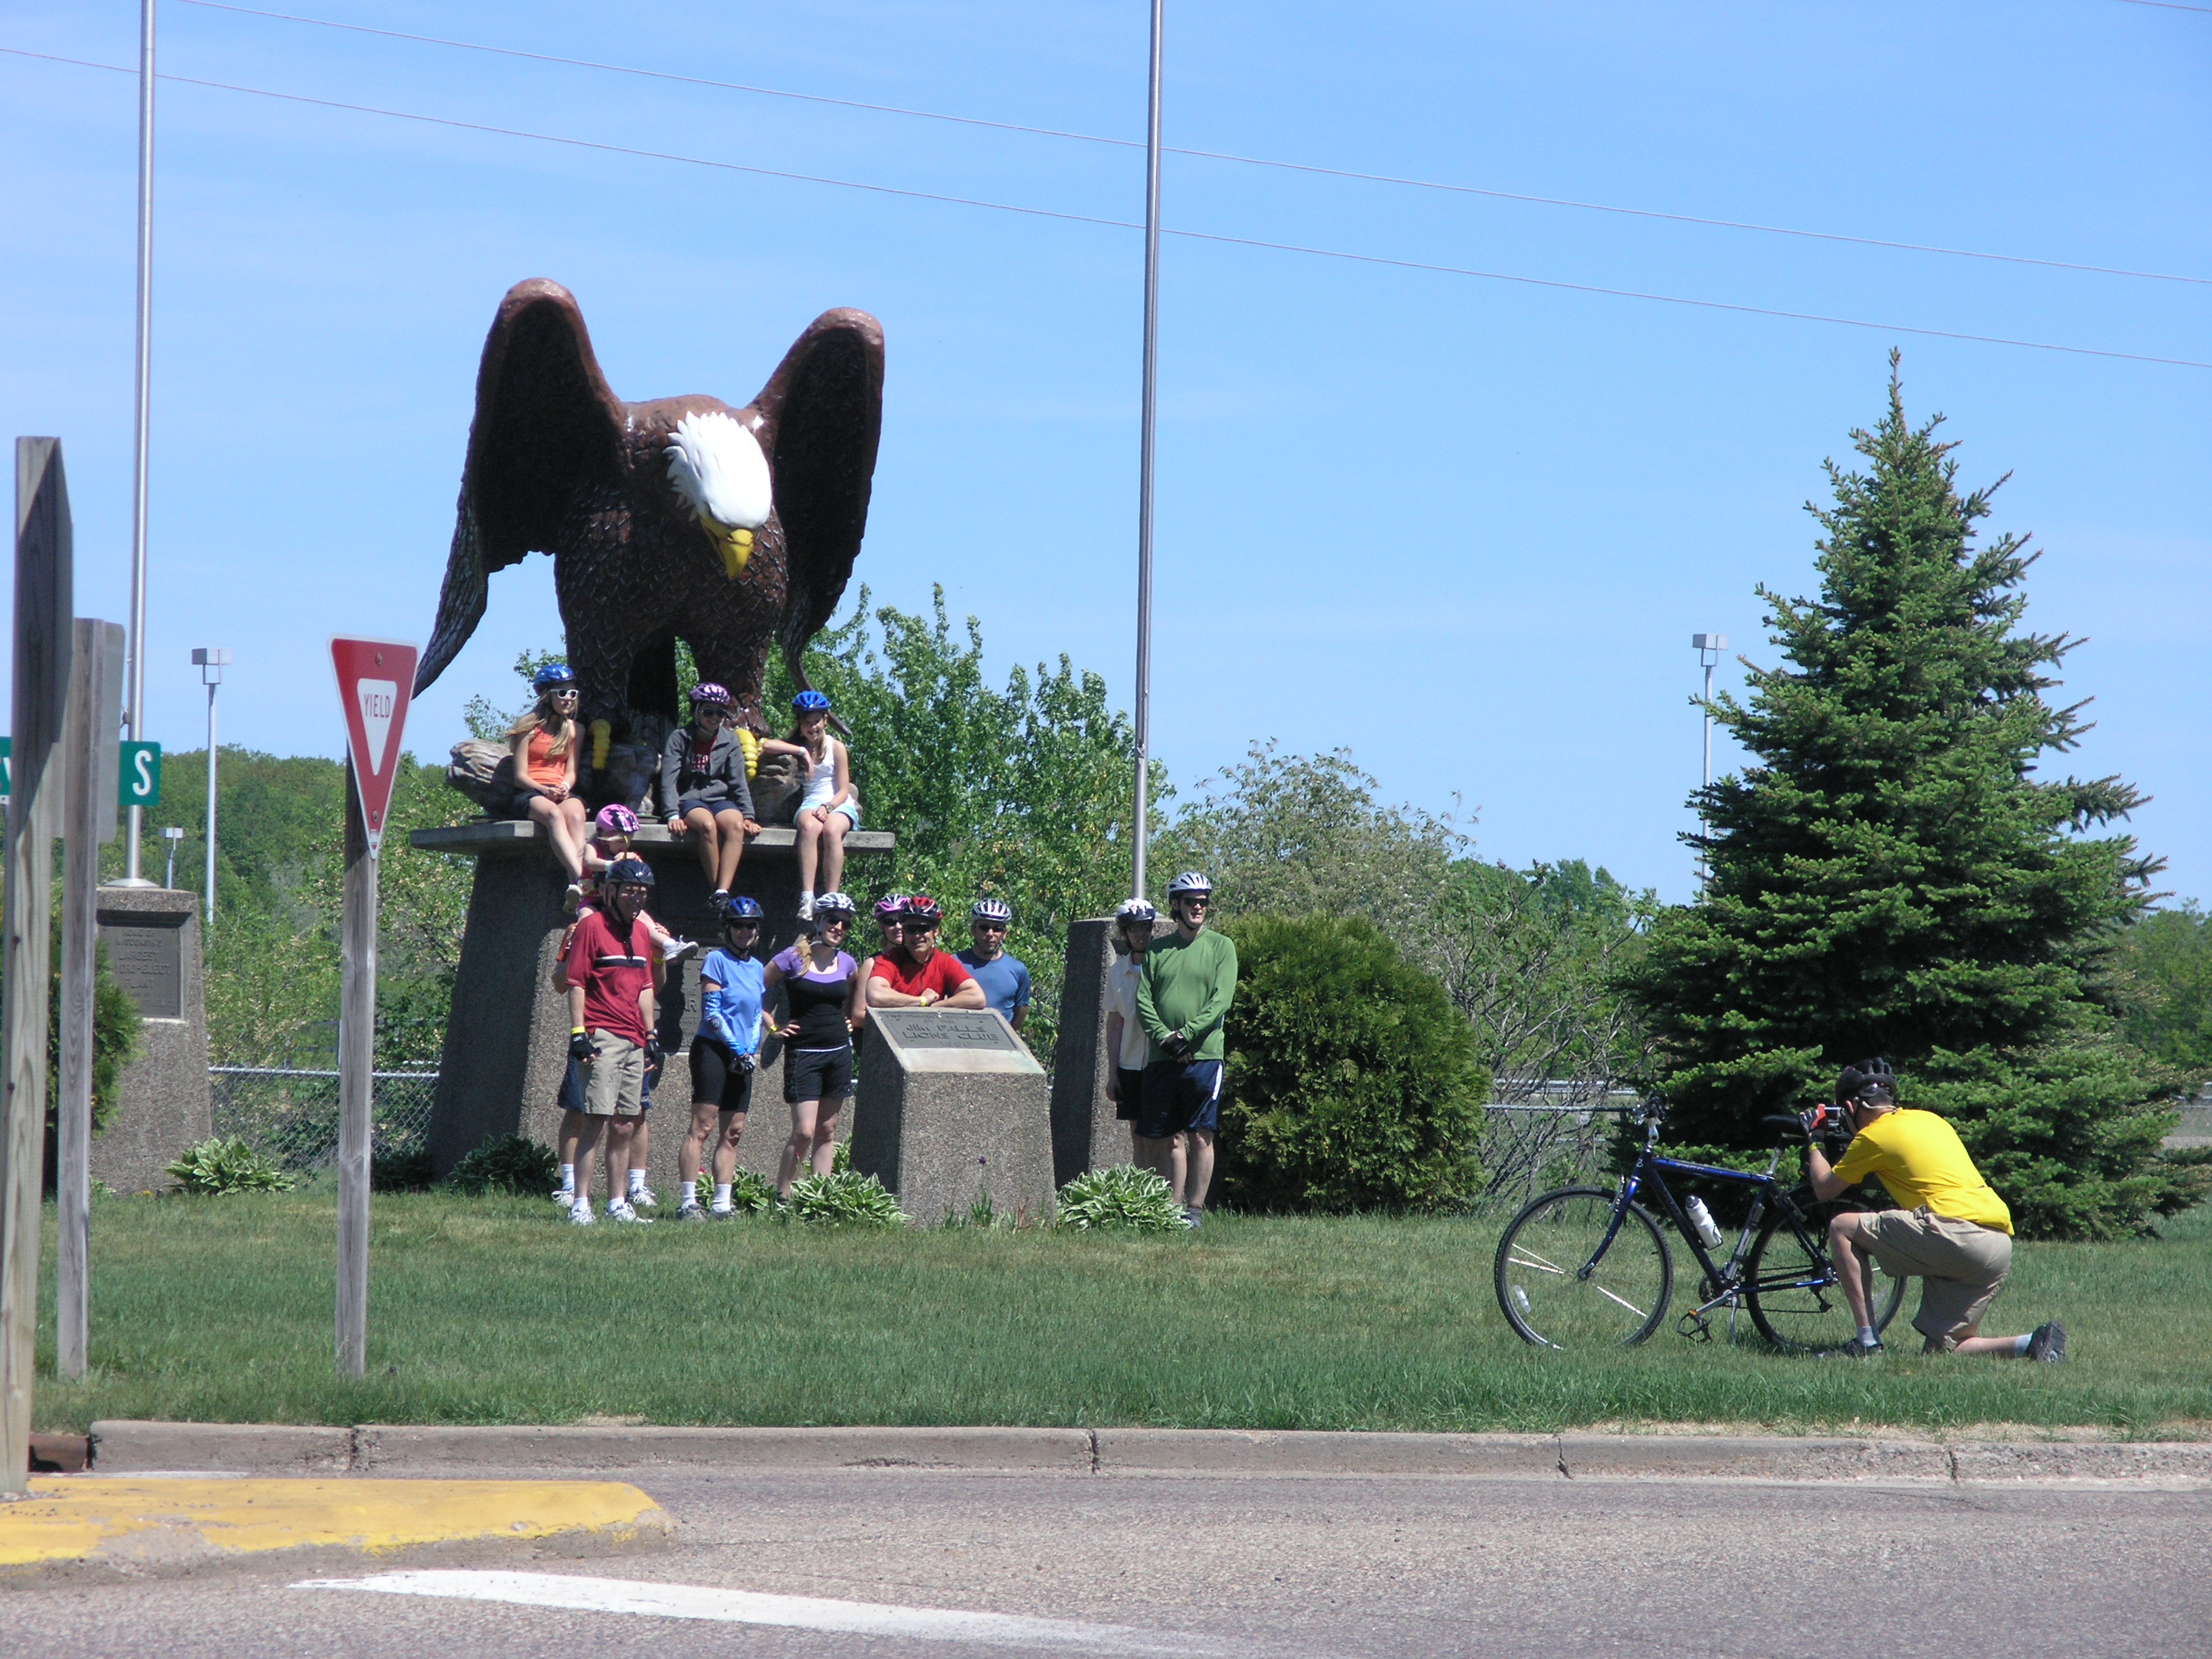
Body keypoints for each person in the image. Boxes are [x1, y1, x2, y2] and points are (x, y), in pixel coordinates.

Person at [1808, 1059, 2065, 1361]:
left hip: (1953, 1232)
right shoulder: (1931, 1120)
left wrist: (1814, 1141)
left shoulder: (1873, 1136)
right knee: (1945, 1350)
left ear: (1851, 1108)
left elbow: (1824, 1189)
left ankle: (1866, 1341)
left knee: (1842, 1227)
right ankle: (2034, 1343)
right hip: (1996, 1243)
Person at [1136, 872, 1239, 1229]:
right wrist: (1167, 1038)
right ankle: (1169, 1206)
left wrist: (1187, 1034)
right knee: (1168, 1137)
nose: (1198, 907)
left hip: (1205, 1056)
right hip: (1163, 1056)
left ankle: (1194, 1209)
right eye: (1191, 901)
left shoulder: (1221, 946)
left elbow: (1221, 999)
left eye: (1203, 902)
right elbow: (1143, 1001)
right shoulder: (1157, 950)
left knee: (1201, 1134)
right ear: (1175, 906)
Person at [564, 855, 659, 1225]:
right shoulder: (591, 927)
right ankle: (581, 1204)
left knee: (625, 1123)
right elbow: (575, 983)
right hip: (601, 1033)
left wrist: (650, 1034)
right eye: (631, 891)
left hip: (635, 1036)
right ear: (610, 891)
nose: (637, 899)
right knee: (595, 1119)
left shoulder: (639, 932)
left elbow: (646, 987)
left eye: (642, 893)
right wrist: (578, 1034)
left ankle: (618, 1202)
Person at [764, 892, 866, 1195]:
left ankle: (819, 1199)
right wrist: (772, 1027)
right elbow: (756, 987)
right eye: (833, 920)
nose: (839, 927)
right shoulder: (793, 957)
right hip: (803, 1055)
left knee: (827, 1131)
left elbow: (850, 995)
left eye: (845, 924)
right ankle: (782, 1196)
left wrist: (849, 1018)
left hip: (838, 1054)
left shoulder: (848, 963)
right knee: (804, 1131)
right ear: (819, 921)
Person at [678, 897, 769, 1220]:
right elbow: (712, 1015)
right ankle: (688, 1201)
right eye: (738, 926)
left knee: (734, 1131)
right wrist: (737, 1049)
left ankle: (721, 1204)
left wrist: (751, 1052)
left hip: (743, 1054)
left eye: (751, 926)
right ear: (727, 929)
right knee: (702, 1126)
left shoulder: (757, 967)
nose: (745, 932)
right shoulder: (716, 960)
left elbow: (757, 1014)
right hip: (714, 1048)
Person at [659, 682, 762, 905]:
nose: (714, 717)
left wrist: (748, 816)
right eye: (708, 712)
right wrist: (672, 815)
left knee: (735, 825)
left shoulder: (730, 740)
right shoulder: (679, 738)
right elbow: (669, 780)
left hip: (719, 798)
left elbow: (738, 782)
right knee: (707, 825)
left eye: (720, 712)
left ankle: (722, 892)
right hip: (691, 798)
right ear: (696, 712)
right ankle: (717, 890)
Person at [759, 690, 858, 920]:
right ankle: (808, 895)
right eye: (807, 723)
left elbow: (844, 788)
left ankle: (832, 897)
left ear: (825, 721)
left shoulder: (836, 748)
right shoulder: (797, 744)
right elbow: (767, 745)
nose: (813, 728)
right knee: (809, 828)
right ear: (800, 723)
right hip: (811, 801)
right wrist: (800, 751)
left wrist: (829, 807)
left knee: (832, 830)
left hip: (837, 801)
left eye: (817, 722)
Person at [507, 662, 592, 897]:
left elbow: (571, 771)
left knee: (575, 814)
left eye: (573, 694)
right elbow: (520, 776)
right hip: (531, 792)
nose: (569, 699)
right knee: (554, 815)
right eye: (562, 693)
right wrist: (545, 790)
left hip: (559, 790)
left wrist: (564, 787)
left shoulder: (576, 730)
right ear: (547, 696)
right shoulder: (528, 728)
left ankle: (575, 888)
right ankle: (584, 879)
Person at [575, 804, 695, 963]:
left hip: (616, 900)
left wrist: (634, 864)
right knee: (586, 917)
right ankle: (575, 946)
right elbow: (590, 862)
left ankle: (669, 945)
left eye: (628, 841)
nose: (624, 846)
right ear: (604, 836)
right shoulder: (594, 846)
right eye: (620, 841)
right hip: (592, 898)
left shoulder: (624, 854)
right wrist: (612, 864)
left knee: (643, 917)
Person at [1101, 898, 1157, 1158]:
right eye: (1134, 929)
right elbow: (1115, 1024)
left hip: (1161, 1063)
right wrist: (1113, 1075)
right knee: (1138, 1137)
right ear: (1125, 933)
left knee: (1171, 1138)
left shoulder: (1163, 967)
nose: (1141, 934)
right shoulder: (1116, 973)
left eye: (1145, 927)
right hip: (1130, 1065)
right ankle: (1143, 1196)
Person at [865, 895, 986, 1011]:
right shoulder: (889, 960)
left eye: (923, 929)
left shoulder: (944, 962)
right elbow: (875, 995)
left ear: (935, 931)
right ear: (904, 932)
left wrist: (935, 1007)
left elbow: (977, 998)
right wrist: (922, 1001)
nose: (917, 936)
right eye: (911, 929)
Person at [956, 897, 1031, 1031]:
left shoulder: (1018, 970)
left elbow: (1022, 1009)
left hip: (999, 1047)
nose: (990, 934)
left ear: (1005, 934)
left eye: (997, 929)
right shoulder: (955, 963)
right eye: (984, 928)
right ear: (973, 930)